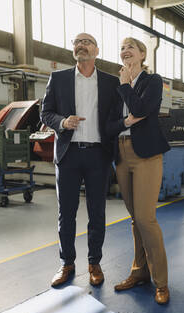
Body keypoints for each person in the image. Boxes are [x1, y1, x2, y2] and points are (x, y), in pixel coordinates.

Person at [40, 33, 121, 287]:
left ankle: (94, 262)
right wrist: (62, 122)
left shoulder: (111, 82)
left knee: (97, 212)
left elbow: (116, 117)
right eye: (77, 42)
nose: (80, 45)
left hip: (98, 154)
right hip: (68, 154)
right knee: (67, 213)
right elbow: (45, 112)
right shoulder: (59, 78)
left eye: (86, 42)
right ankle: (67, 263)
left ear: (97, 50)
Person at [110, 37, 171, 304]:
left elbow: (143, 109)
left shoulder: (152, 81)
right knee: (135, 218)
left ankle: (161, 282)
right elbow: (109, 123)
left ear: (142, 54)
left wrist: (125, 86)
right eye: (122, 48)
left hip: (145, 153)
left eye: (130, 47)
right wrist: (125, 120)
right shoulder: (116, 86)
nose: (125, 51)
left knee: (146, 218)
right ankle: (139, 272)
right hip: (121, 153)